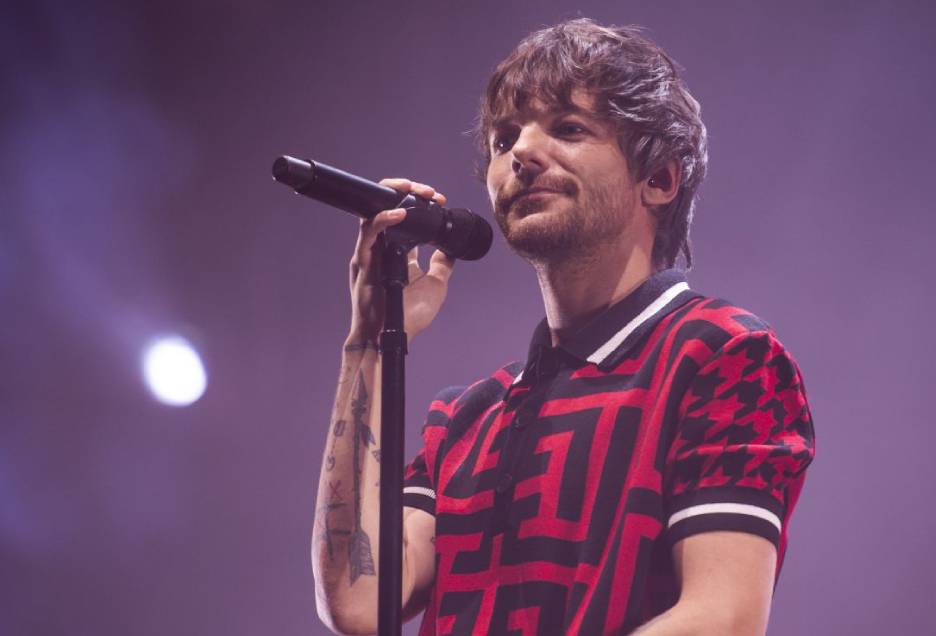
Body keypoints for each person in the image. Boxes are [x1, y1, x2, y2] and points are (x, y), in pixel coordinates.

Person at [311, 18, 815, 636]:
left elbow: (723, 618)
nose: (520, 153)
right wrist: (367, 341)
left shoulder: (722, 355)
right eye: (503, 139)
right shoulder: (465, 420)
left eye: (568, 128)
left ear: (659, 179)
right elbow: (357, 603)